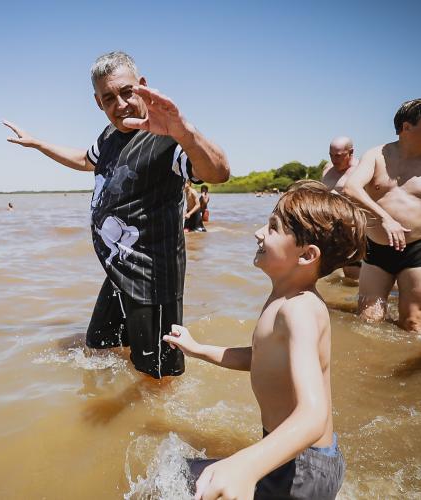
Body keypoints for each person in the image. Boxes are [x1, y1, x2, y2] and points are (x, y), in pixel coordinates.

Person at [3, 51, 229, 378]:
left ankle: (159, 425)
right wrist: (39, 144)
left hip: (152, 280)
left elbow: (219, 172)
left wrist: (186, 133)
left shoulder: (166, 138)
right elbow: (85, 159)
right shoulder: (109, 136)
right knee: (99, 345)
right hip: (117, 271)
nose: (120, 104)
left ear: (143, 86)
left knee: (158, 376)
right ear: (98, 103)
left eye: (126, 92)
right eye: (109, 98)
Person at [165, 181, 365, 499]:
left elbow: (314, 416)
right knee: (172, 475)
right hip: (293, 453)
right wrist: (198, 349)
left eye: (272, 228)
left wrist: (245, 465)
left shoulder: (299, 310)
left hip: (304, 468)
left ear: (306, 255)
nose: (258, 232)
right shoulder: (283, 298)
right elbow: (259, 357)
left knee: (185, 483)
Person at [344, 98, 421, 332]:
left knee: (413, 323)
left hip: (416, 250)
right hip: (377, 248)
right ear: (406, 127)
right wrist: (385, 218)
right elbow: (351, 188)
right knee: (368, 321)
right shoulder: (377, 155)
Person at [321, 136, 361, 280]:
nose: (334, 160)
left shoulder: (361, 169)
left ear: (351, 152)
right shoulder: (327, 168)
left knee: (352, 275)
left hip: (352, 230)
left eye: (338, 156)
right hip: (329, 230)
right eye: (331, 155)